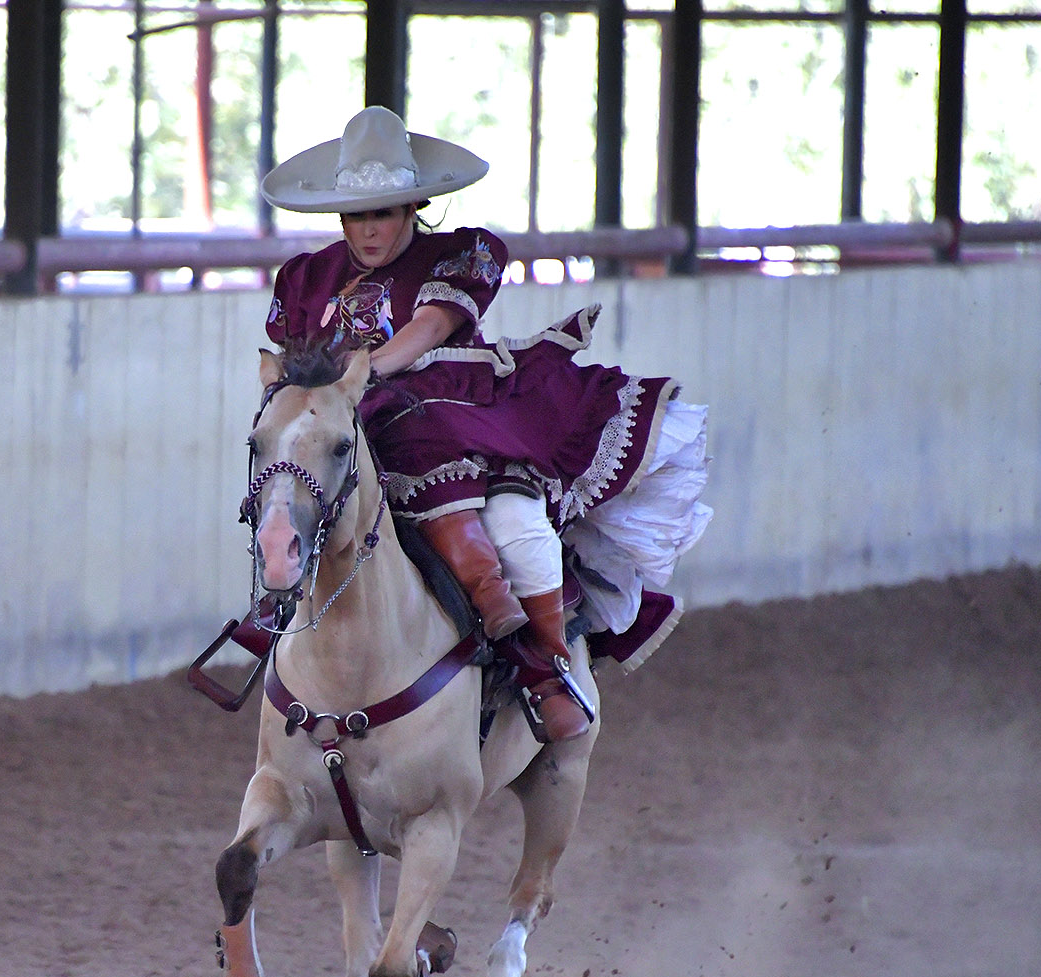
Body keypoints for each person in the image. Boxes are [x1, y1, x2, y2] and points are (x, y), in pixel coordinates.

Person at [259, 106, 712, 742]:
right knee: (285, 507)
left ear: (414, 206)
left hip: (450, 419)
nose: (369, 229)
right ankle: (275, 618)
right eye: (356, 215)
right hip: (341, 434)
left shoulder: (463, 253)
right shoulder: (307, 278)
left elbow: (428, 329)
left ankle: (545, 669)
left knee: (517, 526)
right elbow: (291, 371)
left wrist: (358, 377)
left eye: (383, 212)